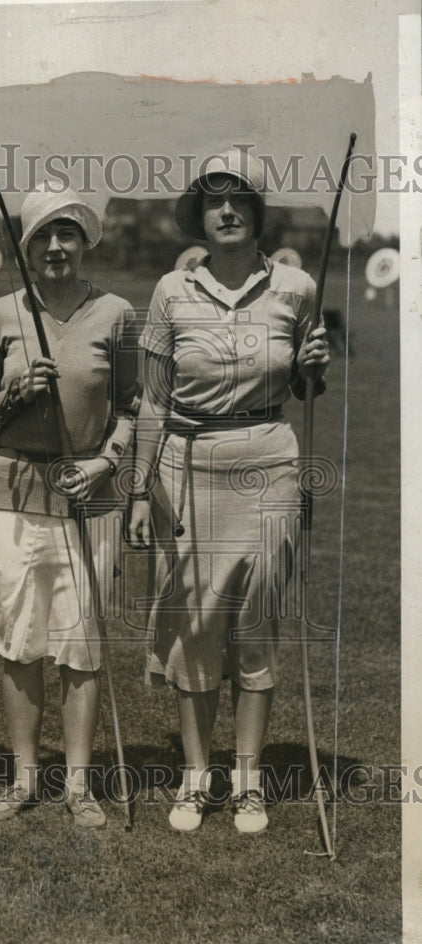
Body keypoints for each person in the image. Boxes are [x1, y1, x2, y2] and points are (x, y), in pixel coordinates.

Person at [128, 148, 330, 834]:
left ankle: (247, 783)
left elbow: (307, 380)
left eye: (238, 199)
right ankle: (195, 777)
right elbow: (151, 403)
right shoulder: (170, 291)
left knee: (257, 623)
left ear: (256, 213)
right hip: (188, 465)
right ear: (201, 217)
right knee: (195, 627)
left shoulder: (297, 288)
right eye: (214, 200)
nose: (226, 210)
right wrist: (135, 491)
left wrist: (313, 367)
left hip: (270, 459)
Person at [0, 187, 138, 829]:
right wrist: (9, 394)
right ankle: (25, 776)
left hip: (88, 499)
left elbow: (138, 405)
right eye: (42, 238)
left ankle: (79, 784)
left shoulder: (116, 313)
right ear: (24, 248)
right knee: (19, 641)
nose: (55, 248)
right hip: (11, 501)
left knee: (80, 643)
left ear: (84, 243)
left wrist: (105, 463)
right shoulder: (0, 315)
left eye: (67, 235)